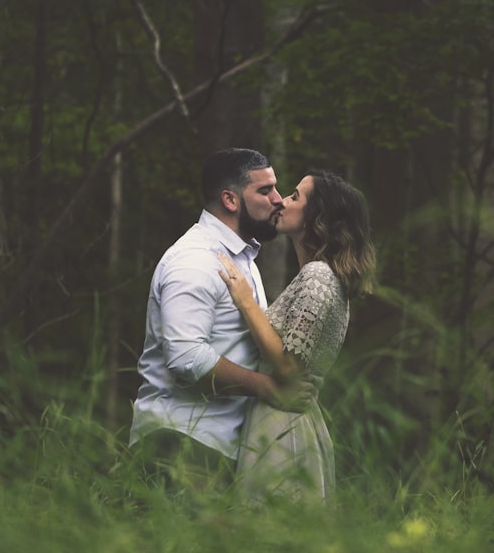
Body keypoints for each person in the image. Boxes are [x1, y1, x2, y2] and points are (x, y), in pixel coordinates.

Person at [128, 148, 314, 495]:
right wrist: (268, 388)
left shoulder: (242, 259)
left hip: (216, 450)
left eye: (277, 188)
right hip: (180, 445)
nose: (277, 200)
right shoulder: (194, 260)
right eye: (264, 190)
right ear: (230, 199)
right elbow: (185, 357)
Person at [217, 169, 376, 503]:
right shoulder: (317, 277)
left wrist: (246, 302)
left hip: (282, 425)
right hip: (283, 418)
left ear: (317, 216)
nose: (281, 202)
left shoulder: (319, 277)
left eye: (294, 197)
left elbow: (289, 368)